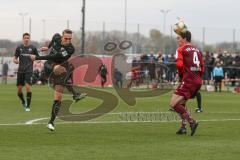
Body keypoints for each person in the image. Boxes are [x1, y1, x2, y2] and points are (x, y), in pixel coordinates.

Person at [30, 29, 86, 131]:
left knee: (58, 97)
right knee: (62, 68)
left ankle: (51, 122)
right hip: (49, 65)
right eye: (66, 38)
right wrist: (48, 47)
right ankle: (75, 94)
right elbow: (52, 45)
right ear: (61, 37)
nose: (68, 41)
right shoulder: (56, 37)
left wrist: (37, 57)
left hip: (58, 66)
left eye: (70, 39)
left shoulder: (70, 49)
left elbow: (55, 56)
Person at [169, 30, 204, 136]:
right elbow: (202, 67)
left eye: (178, 38)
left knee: (173, 104)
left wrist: (181, 75)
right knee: (182, 103)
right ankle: (183, 128)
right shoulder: (197, 50)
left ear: (184, 39)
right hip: (197, 80)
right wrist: (198, 78)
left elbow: (179, 65)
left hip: (188, 80)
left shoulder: (181, 49)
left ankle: (192, 122)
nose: (177, 40)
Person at [13, 33, 39, 112]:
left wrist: (35, 58)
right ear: (23, 39)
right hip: (20, 71)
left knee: (28, 87)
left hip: (29, 71)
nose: (26, 39)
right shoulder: (19, 48)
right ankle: (23, 101)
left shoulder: (33, 48)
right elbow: (14, 58)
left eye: (28, 38)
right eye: (25, 38)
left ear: (29, 39)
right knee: (19, 90)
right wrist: (15, 61)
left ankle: (28, 106)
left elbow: (37, 57)